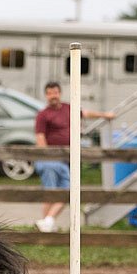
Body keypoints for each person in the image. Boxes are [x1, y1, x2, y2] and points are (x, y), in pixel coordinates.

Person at [34, 81, 114, 233]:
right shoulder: (43, 115)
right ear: (46, 95)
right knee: (51, 192)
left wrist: (105, 115)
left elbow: (86, 113)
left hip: (66, 159)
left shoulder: (68, 108)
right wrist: (47, 157)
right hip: (51, 159)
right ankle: (46, 224)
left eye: (55, 92)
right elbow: (40, 137)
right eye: (50, 93)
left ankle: (46, 222)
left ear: (60, 93)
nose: (53, 96)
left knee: (68, 191)